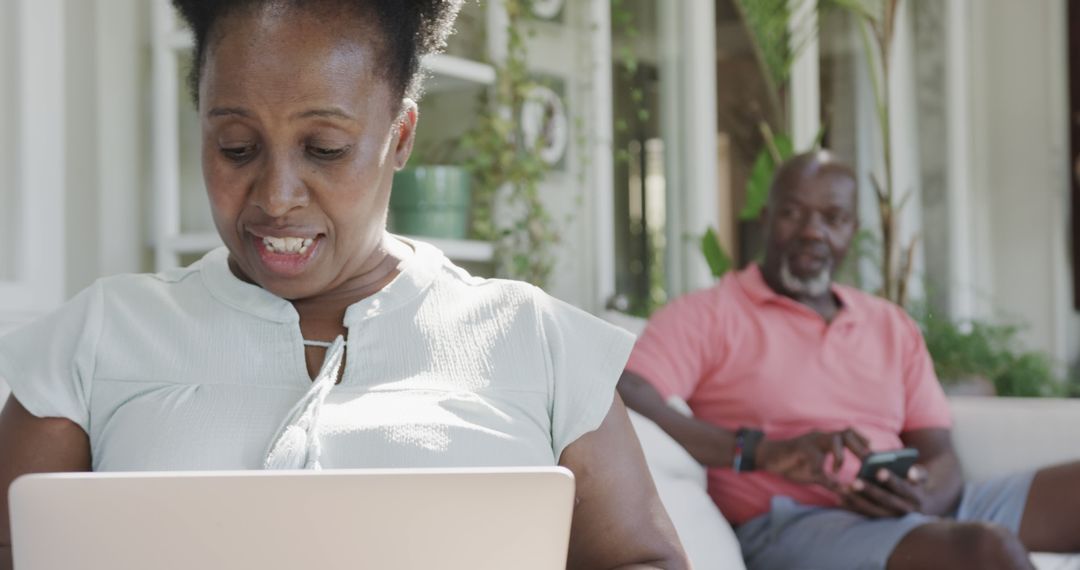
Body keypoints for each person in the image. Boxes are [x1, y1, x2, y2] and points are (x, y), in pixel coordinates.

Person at [0, 2, 688, 568]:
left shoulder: (534, 338)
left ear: (401, 135)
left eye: (325, 149)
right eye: (236, 146)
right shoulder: (96, 337)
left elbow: (644, 559)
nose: (276, 197)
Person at [618, 151, 1080, 570]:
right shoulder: (709, 313)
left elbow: (940, 451)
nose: (812, 231)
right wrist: (759, 451)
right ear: (765, 219)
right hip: (799, 524)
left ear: (851, 231)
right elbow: (630, 389)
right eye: (794, 212)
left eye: (832, 217)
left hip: (916, 510)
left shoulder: (888, 324)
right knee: (985, 551)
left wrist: (922, 493)